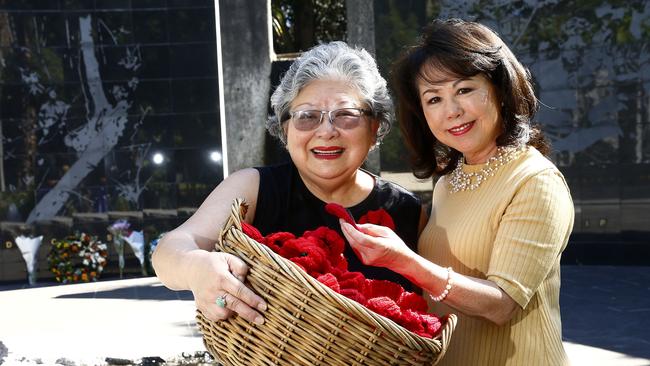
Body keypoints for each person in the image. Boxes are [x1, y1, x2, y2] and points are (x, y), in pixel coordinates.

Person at [339, 19, 574, 365]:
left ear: (499, 88)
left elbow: (502, 304)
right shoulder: (450, 180)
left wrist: (405, 261)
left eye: (464, 90)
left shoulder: (534, 180)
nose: (452, 111)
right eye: (434, 98)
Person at [152, 41, 426, 326]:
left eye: (345, 115)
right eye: (307, 117)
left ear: (374, 127)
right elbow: (170, 249)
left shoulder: (406, 209)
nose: (327, 131)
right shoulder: (253, 188)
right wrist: (197, 268)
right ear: (285, 129)